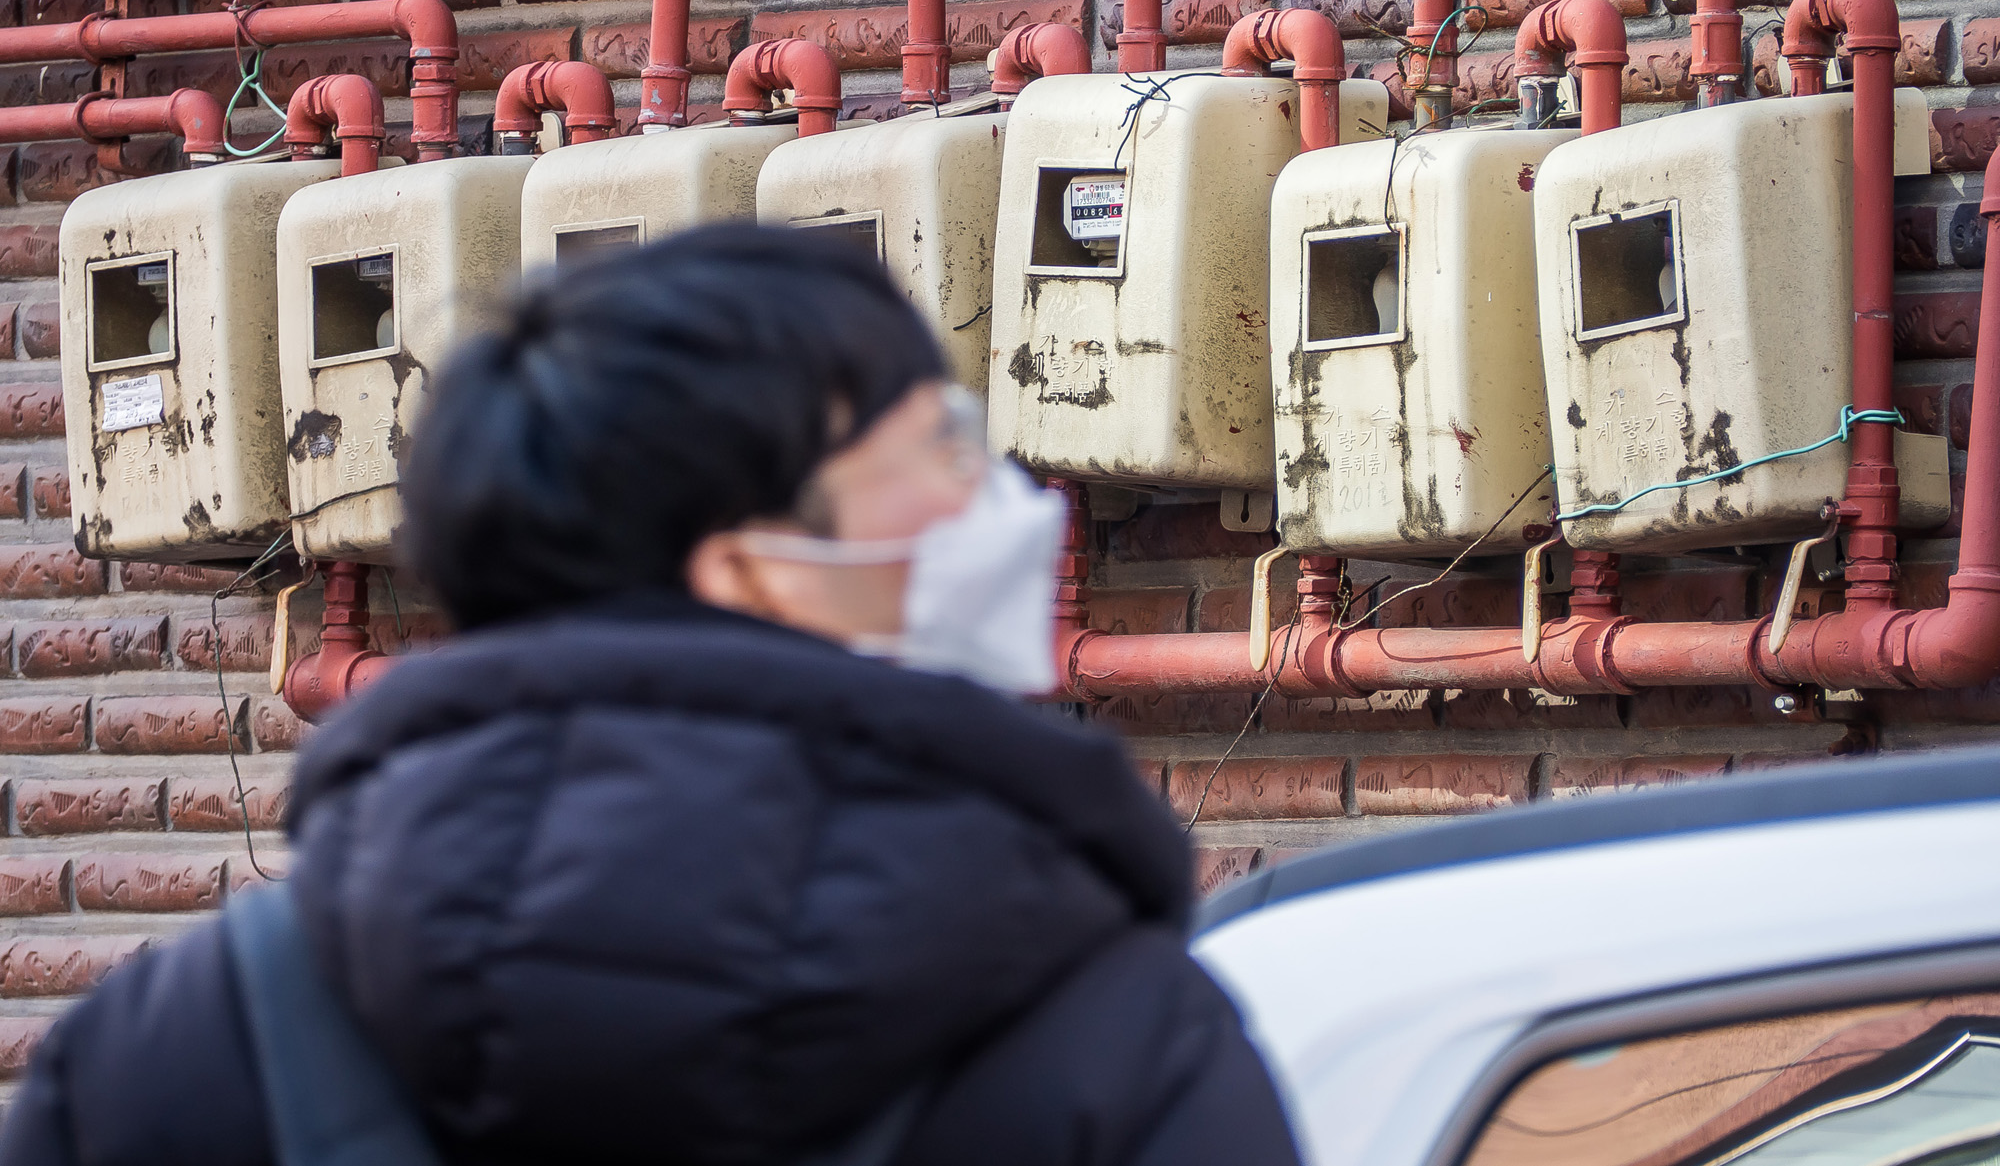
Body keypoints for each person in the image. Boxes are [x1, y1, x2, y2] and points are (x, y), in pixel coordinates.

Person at [0, 225, 1302, 1166]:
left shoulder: (190, 1041)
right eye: (943, 449)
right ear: (750, 567)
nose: (1005, 495)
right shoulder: (1113, 1043)